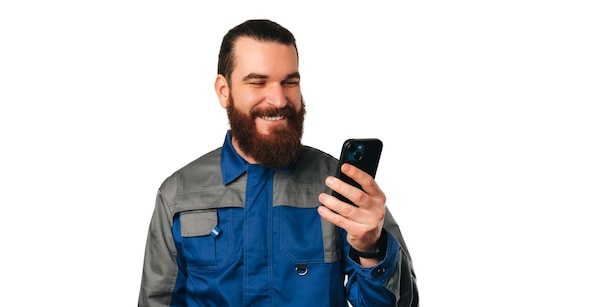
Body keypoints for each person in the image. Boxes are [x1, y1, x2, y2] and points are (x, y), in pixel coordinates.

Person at [138, 19, 419, 307]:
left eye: (290, 82)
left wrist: (372, 249)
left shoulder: (344, 188)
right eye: (258, 82)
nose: (279, 99)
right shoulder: (179, 195)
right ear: (224, 91)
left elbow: (404, 302)